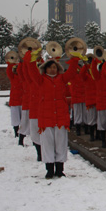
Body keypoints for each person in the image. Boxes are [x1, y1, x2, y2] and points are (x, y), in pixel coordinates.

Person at [24, 49, 81, 179]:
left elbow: (72, 72)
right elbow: (32, 71)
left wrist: (75, 59)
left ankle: (59, 170)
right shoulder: (40, 80)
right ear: (45, 69)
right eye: (50, 68)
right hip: (46, 118)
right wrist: (31, 59)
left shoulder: (62, 79)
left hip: (61, 117)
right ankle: (49, 169)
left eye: (55, 67)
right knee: (47, 145)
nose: (52, 70)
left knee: (61, 144)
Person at [6, 63, 22, 138]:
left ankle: (22, 133)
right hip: (14, 101)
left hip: (22, 101)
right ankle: (16, 132)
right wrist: (10, 63)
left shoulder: (23, 77)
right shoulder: (12, 77)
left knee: (24, 119)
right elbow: (9, 72)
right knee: (15, 119)